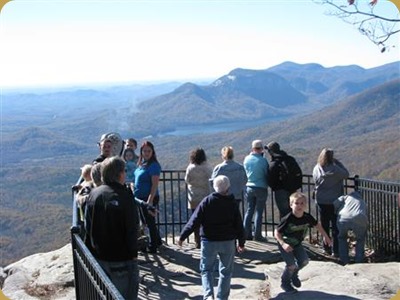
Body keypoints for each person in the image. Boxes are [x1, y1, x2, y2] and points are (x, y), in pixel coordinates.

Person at [177, 175, 246, 300]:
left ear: (214, 187)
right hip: (228, 241)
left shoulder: (207, 201)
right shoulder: (232, 203)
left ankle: (208, 296)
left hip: (209, 241)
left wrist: (183, 236)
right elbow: (239, 225)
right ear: (228, 187)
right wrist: (241, 243)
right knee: (226, 271)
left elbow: (194, 221)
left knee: (207, 270)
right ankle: (221, 298)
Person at [84, 156, 139, 299]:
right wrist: (133, 254)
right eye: (124, 171)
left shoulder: (94, 194)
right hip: (122, 259)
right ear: (120, 174)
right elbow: (132, 228)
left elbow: (88, 225)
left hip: (99, 256)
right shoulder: (125, 196)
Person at [274, 192, 332, 293]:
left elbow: (317, 225)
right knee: (291, 265)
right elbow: (277, 232)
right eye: (296, 203)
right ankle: (285, 283)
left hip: (297, 244)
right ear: (291, 205)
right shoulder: (288, 218)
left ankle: (293, 275)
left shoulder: (307, 217)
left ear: (305, 205)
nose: (299, 206)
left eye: (302, 203)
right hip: (286, 244)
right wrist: (283, 244)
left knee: (304, 261)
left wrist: (326, 236)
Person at [313, 148, 349, 257]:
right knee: (335, 226)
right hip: (335, 201)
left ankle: (326, 248)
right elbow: (346, 174)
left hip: (321, 200)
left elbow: (315, 180)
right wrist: (338, 163)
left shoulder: (317, 168)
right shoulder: (336, 169)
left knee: (324, 226)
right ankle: (336, 250)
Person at [134, 141, 162, 253]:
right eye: (144, 151)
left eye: (149, 151)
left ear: (152, 152)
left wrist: (150, 201)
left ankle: (153, 246)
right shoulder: (141, 164)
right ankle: (157, 241)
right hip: (140, 199)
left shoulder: (154, 166)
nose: (146, 153)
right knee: (147, 222)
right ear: (141, 152)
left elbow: (154, 185)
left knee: (150, 222)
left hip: (149, 198)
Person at [265, 141, 303, 219]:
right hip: (293, 189)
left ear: (271, 151)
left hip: (280, 191)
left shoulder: (274, 163)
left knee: (284, 212)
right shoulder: (290, 159)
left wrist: (275, 187)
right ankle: (294, 229)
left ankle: (284, 230)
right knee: (293, 211)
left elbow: (270, 179)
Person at [185, 147, 212, 248]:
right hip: (205, 196)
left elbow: (187, 180)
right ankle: (206, 239)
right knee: (206, 219)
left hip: (194, 197)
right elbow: (211, 178)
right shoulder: (207, 167)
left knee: (195, 219)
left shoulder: (190, 167)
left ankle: (197, 241)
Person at [242, 140, 269, 242]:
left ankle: (246, 234)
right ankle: (258, 235)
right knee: (259, 211)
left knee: (249, 210)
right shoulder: (263, 161)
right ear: (261, 149)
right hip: (261, 187)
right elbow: (266, 173)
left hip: (249, 187)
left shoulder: (247, 159)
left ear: (252, 148)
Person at [334, 190, 368, 265]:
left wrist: (336, 211)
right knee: (360, 239)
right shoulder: (362, 202)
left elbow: (335, 203)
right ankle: (359, 260)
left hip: (343, 217)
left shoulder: (345, 197)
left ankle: (344, 260)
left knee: (342, 237)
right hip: (360, 218)